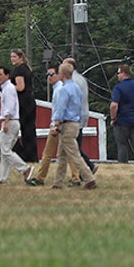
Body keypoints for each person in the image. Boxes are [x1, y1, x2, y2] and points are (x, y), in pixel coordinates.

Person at [26, 65, 82, 187]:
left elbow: (59, 110)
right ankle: (76, 177)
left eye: (51, 75)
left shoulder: (59, 90)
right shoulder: (61, 88)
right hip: (64, 124)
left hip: (59, 125)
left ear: (59, 75)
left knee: (47, 153)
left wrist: (55, 124)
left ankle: (40, 178)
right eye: (47, 75)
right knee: (67, 153)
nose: (49, 78)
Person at [49, 61, 97, 190]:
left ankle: (89, 178)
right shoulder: (76, 88)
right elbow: (80, 107)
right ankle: (57, 182)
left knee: (74, 154)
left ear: (63, 74)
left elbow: (61, 108)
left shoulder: (64, 90)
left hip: (67, 124)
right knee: (62, 155)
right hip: (76, 123)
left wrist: (56, 124)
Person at [0, 66, 33, 184]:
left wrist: (6, 122)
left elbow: (9, 108)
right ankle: (3, 178)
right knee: (5, 150)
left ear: (7, 76)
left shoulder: (9, 89)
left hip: (10, 121)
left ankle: (25, 169)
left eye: (0, 74)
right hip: (12, 121)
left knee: (5, 150)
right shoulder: (7, 88)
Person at [109, 63, 134, 163]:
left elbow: (114, 105)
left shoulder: (118, 88)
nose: (117, 75)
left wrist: (113, 118)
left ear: (123, 73)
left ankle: (123, 165)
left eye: (118, 73)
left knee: (122, 144)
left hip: (122, 121)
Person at [10, 48, 38, 163]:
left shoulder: (19, 71)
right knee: (29, 130)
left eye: (14, 57)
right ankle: (31, 156)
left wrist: (8, 87)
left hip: (23, 102)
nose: (12, 59)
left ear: (21, 58)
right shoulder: (26, 69)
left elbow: (20, 87)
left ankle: (26, 155)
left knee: (25, 130)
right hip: (29, 101)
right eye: (11, 57)